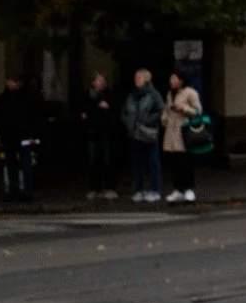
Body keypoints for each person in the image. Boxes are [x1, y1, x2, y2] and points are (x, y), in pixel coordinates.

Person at [0, 76, 36, 202]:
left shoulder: (24, 98)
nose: (14, 84)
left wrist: (31, 134)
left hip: (21, 136)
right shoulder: (3, 99)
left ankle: (26, 191)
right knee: (12, 164)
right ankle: (14, 190)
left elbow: (32, 117)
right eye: (13, 82)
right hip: (9, 136)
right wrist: (2, 130)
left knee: (25, 164)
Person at [122, 69, 164, 203]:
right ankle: (139, 190)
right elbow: (124, 111)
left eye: (139, 78)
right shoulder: (132, 96)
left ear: (146, 79)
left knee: (152, 163)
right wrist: (127, 122)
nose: (136, 80)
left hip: (148, 133)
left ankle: (154, 190)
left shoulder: (153, 94)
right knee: (137, 164)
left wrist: (148, 120)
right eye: (135, 78)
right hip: (134, 134)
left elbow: (160, 110)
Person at [161, 72, 201, 204]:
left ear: (181, 80)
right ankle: (178, 189)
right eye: (170, 78)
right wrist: (164, 119)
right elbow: (166, 110)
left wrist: (184, 108)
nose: (171, 81)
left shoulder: (190, 93)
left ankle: (189, 189)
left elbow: (198, 111)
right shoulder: (169, 94)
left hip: (184, 132)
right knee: (174, 163)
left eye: (174, 78)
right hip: (171, 133)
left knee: (185, 162)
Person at [83, 73, 118, 199]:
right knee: (94, 161)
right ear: (93, 83)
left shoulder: (109, 95)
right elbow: (86, 112)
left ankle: (110, 187)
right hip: (93, 132)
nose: (101, 83)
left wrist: (104, 108)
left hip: (106, 132)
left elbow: (112, 110)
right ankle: (94, 187)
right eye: (98, 80)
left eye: (103, 80)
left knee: (107, 160)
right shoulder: (88, 95)